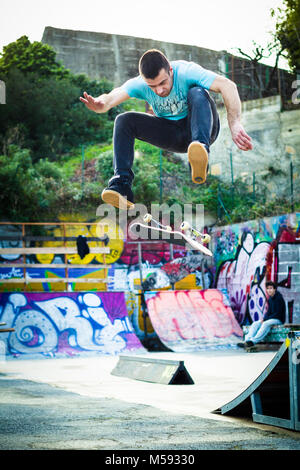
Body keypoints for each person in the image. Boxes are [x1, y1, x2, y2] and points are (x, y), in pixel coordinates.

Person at [80, 49, 253, 210]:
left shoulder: (186, 71)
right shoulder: (139, 84)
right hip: (172, 135)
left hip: (201, 128)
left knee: (198, 92)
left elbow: (228, 86)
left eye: (163, 83)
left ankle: (201, 150)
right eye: (152, 86)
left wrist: (235, 123)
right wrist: (100, 104)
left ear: (170, 70)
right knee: (124, 120)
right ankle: (122, 185)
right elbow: (110, 99)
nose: (159, 90)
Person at [237, 281, 286, 348]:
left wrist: (265, 320)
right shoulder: (270, 299)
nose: (269, 290)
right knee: (256, 323)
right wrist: (263, 319)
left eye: (271, 288)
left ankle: (253, 341)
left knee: (265, 324)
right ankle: (247, 341)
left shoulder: (279, 298)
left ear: (274, 289)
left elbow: (277, 314)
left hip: (278, 319)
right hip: (271, 319)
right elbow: (269, 312)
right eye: (268, 288)